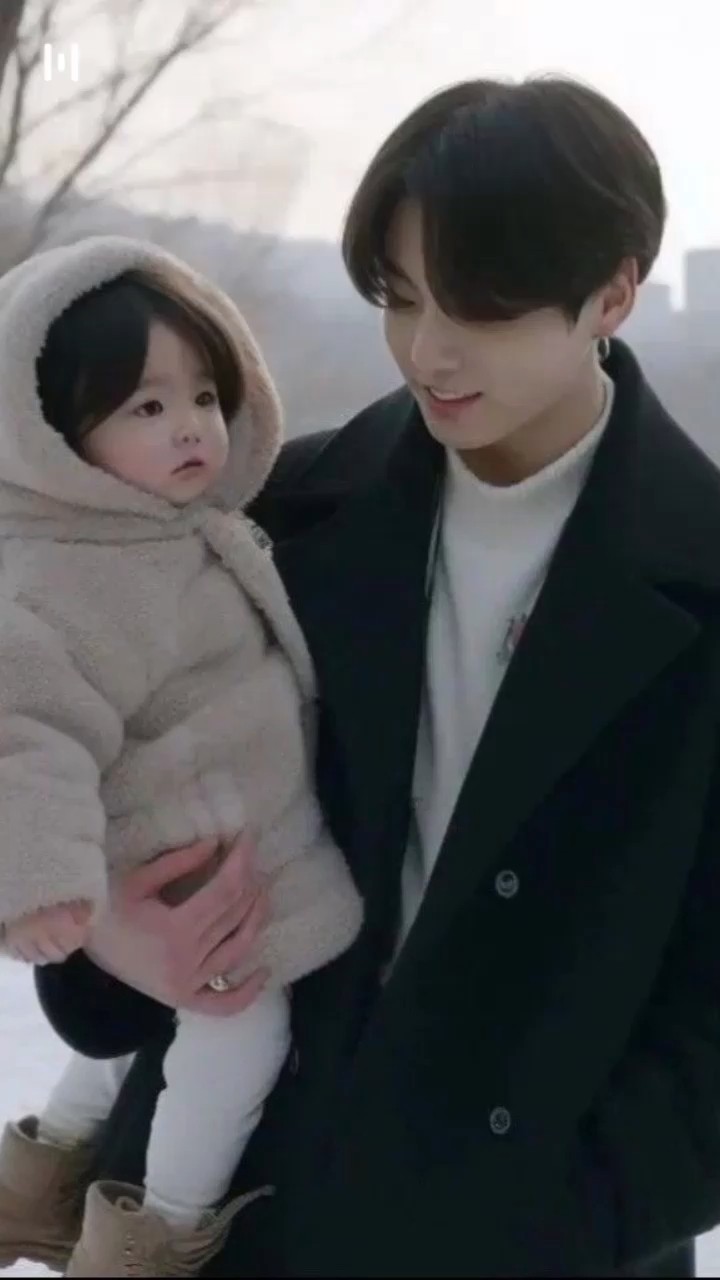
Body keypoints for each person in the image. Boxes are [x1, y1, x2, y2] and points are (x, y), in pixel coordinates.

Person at [33, 75, 720, 1277]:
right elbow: (116, 784)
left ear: (613, 292)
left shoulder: (702, 578)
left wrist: (564, 1218)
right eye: (401, 297)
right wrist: (116, 938)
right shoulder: (273, 522)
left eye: (481, 305)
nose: (427, 349)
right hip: (232, 1215)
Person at [0, 237, 362, 1277]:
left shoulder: (164, 531)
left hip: (211, 838)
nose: (193, 425)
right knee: (240, 1036)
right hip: (195, 867)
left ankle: (39, 1176)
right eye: (146, 407)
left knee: (143, 1039)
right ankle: (153, 1236)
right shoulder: (62, 576)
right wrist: (42, 885)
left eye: (203, 394)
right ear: (58, 438)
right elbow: (25, 732)